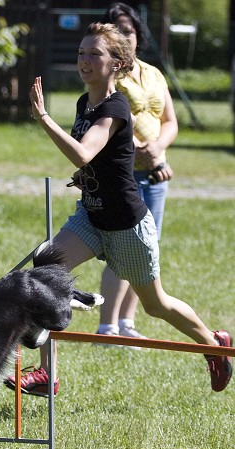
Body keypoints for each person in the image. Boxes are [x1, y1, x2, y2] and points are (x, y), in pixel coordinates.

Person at [4, 22, 232, 396]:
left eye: (95, 54)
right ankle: (48, 375)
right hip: (91, 217)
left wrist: (44, 117)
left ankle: (213, 343)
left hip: (127, 226)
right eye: (81, 53)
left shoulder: (115, 107)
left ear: (118, 65)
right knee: (46, 270)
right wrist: (85, 176)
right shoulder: (84, 103)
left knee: (156, 306)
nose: (85, 61)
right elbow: (93, 159)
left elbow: (82, 150)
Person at [97, 2, 178, 340]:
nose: (124, 35)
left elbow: (170, 122)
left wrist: (158, 150)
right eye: (116, 31)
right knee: (120, 249)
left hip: (156, 174)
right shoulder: (108, 76)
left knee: (146, 249)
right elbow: (104, 120)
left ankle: (127, 324)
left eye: (128, 30)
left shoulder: (154, 74)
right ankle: (107, 326)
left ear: (137, 34)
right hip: (124, 173)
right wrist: (138, 152)